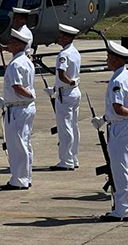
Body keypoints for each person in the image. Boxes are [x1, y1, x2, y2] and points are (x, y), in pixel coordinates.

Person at [92, 42, 128, 222]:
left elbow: (119, 109)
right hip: (126, 125)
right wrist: (104, 119)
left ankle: (122, 209)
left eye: (108, 57)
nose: (107, 60)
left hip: (121, 126)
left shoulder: (117, 80)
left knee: (120, 170)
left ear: (115, 59)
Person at [0, 27, 35, 190]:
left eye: (11, 43)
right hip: (23, 107)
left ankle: (19, 179)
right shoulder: (26, 61)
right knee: (25, 143)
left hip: (18, 108)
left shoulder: (15, 64)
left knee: (17, 145)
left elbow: (17, 87)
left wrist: (29, 95)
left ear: (18, 45)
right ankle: (26, 176)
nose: (9, 45)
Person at [50, 24, 81, 170]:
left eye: (62, 36)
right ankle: (73, 157)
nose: (59, 38)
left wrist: (69, 82)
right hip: (73, 91)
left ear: (68, 37)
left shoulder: (63, 55)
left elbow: (62, 75)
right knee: (73, 126)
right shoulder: (74, 52)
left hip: (66, 92)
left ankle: (66, 160)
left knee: (65, 127)